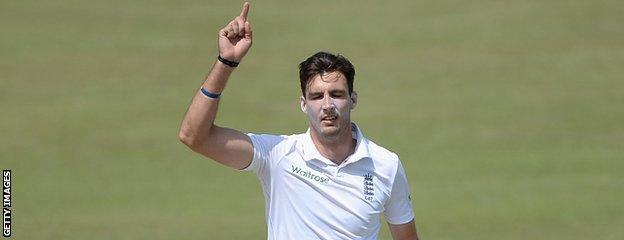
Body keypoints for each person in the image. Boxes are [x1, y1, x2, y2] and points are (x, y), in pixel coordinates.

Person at [178, 2, 420, 240]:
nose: (327, 105)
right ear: (304, 104)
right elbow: (194, 137)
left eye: (336, 94)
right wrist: (226, 62)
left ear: (353, 99)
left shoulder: (385, 165)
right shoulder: (277, 155)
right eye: (317, 96)